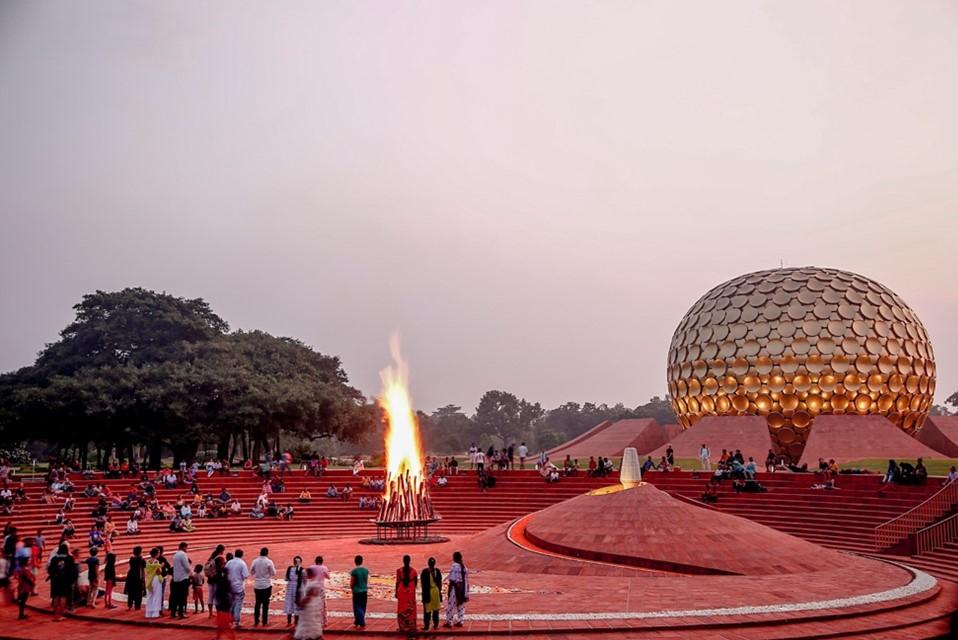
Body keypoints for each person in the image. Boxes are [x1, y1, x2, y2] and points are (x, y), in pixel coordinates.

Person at [294, 566, 325, 640]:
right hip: (313, 605)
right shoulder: (313, 582)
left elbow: (309, 596)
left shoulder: (312, 584)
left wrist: (302, 603)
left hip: (309, 607)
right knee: (312, 622)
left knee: (309, 623)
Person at [250, 547, 276, 626]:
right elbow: (273, 573)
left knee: (257, 603)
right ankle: (264, 621)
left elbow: (251, 571)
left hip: (257, 585)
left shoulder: (255, 561)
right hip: (266, 585)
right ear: (267, 553)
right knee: (265, 604)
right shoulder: (269, 561)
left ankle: (256, 620)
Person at [48, 543, 74, 620]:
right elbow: (72, 571)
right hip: (65, 580)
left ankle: (55, 615)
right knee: (63, 597)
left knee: (56, 596)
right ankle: (60, 615)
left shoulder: (54, 559)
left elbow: (50, 570)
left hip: (55, 580)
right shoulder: (69, 558)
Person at [212, 557, 235, 640]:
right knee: (222, 622)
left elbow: (218, 592)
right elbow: (230, 591)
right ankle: (219, 637)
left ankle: (231, 637)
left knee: (222, 622)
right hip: (225, 602)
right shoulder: (226, 580)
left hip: (222, 602)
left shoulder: (221, 579)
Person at [225, 549, 250, 627]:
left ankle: (229, 620)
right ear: (242, 555)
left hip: (229, 586)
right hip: (238, 586)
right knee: (238, 604)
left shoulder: (229, 562)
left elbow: (225, 572)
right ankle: (237, 621)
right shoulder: (242, 563)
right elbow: (245, 575)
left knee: (231, 603)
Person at [395, 554, 418, 633]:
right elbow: (416, 582)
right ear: (409, 561)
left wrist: (396, 592)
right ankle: (411, 626)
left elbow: (397, 582)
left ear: (403, 561)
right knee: (411, 607)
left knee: (402, 607)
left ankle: (402, 626)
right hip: (411, 590)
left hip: (401, 590)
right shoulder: (414, 571)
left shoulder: (399, 571)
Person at [444, 551, 468, 628]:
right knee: (461, 605)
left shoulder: (454, 566)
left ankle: (449, 622)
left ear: (454, 558)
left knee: (451, 605)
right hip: (463, 588)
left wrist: (449, 589)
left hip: (455, 588)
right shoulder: (464, 567)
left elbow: (452, 579)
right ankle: (460, 621)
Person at [204, 545, 225, 619]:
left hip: (210, 579)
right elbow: (222, 568)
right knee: (217, 597)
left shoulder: (211, 557)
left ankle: (210, 613)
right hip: (217, 579)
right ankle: (218, 614)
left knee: (210, 596)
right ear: (221, 550)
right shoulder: (220, 558)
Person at [170, 541, 191, 618]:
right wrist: (191, 573)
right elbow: (187, 566)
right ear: (184, 547)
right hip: (183, 578)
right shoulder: (183, 554)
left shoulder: (175, 555)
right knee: (182, 596)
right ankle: (181, 613)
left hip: (176, 578)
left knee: (175, 596)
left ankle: (173, 612)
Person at [421, 556, 442, 631]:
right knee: (435, 610)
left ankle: (426, 626)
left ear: (428, 563)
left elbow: (422, 584)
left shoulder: (424, 572)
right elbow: (440, 583)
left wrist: (423, 596)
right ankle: (436, 625)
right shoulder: (438, 571)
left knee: (427, 610)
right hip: (436, 592)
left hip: (428, 592)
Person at [284, 556, 305, 626]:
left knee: (289, 603)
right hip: (298, 588)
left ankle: (289, 621)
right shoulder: (302, 570)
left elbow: (286, 579)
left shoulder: (289, 569)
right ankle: (296, 621)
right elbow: (305, 580)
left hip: (290, 588)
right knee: (297, 603)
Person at [144, 548, 164, 619]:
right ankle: (155, 613)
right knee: (156, 595)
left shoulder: (147, 561)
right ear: (156, 554)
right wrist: (161, 566)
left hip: (149, 579)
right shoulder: (156, 562)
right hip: (155, 579)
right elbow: (158, 572)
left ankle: (148, 613)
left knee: (149, 596)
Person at [350, 554, 368, 629]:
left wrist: (351, 588)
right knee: (363, 606)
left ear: (355, 562)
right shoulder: (366, 570)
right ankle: (358, 620)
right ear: (362, 561)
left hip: (357, 591)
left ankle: (361, 621)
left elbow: (352, 582)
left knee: (357, 606)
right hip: (364, 590)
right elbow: (366, 580)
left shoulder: (354, 571)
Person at [125, 546, 145, 610]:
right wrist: (143, 579)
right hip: (138, 576)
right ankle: (137, 606)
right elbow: (143, 569)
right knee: (138, 592)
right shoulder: (141, 559)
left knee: (131, 591)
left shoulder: (131, 559)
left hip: (131, 575)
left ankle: (130, 605)